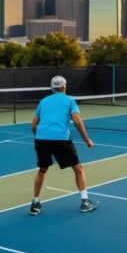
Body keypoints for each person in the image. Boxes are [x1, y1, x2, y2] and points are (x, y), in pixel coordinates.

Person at [29, 75, 97, 216]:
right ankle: (85, 202)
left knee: (42, 170)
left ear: (52, 88)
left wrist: (39, 137)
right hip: (60, 139)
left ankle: (35, 204)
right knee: (78, 169)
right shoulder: (70, 101)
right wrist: (86, 139)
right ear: (65, 86)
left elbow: (34, 124)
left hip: (41, 139)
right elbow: (78, 122)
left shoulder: (44, 101)